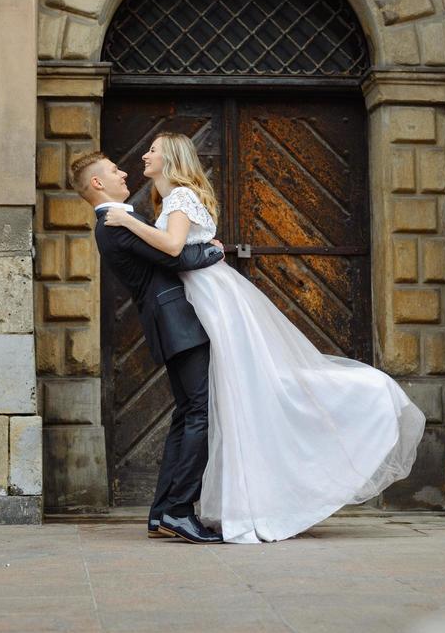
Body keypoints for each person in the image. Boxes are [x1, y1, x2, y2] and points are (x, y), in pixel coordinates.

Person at [102, 133, 426, 544]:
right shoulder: (169, 202)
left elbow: (172, 246)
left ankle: (209, 502)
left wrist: (130, 221)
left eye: (153, 150)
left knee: (241, 392)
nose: (144, 155)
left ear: (171, 159)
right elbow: (178, 251)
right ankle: (172, 510)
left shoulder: (181, 197)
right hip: (204, 297)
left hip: (213, 299)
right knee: (218, 399)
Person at [70, 150, 226, 544]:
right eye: (113, 170)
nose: (123, 173)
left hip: (172, 324)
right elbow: (174, 256)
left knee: (187, 413)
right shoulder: (114, 222)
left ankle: (162, 512)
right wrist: (214, 250)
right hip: (177, 323)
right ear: (97, 184)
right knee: (198, 415)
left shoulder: (118, 220)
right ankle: (178, 510)